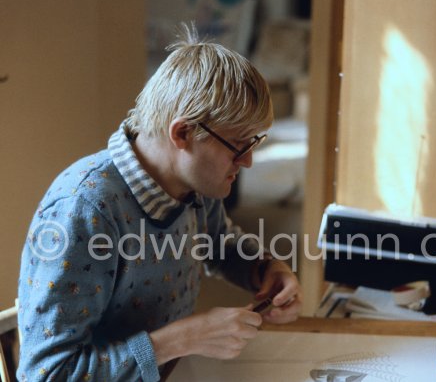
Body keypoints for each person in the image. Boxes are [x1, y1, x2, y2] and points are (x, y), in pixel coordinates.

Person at [17, 25, 302, 381]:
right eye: (239, 146)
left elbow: (217, 243)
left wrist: (266, 268)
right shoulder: (83, 210)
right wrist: (182, 338)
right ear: (183, 133)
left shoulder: (195, 183)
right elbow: (47, 375)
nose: (248, 162)